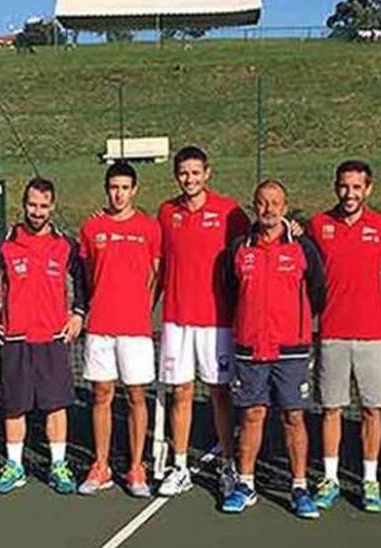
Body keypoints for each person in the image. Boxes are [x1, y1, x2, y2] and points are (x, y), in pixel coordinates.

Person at [221, 180, 326, 519]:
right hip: (250, 347)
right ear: (255, 206)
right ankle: (245, 484)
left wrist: (293, 325)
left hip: (291, 349)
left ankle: (298, 487)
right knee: (252, 414)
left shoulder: (303, 248)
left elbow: (318, 291)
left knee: (293, 416)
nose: (269, 209)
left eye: (275, 203)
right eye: (262, 203)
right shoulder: (239, 247)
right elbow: (229, 290)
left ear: (285, 205)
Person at [155, 146, 251, 498]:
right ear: (176, 175)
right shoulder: (166, 212)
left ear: (207, 173)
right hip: (177, 320)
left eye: (196, 172)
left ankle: (229, 464)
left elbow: (251, 253)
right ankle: (180, 466)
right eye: (183, 173)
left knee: (219, 393)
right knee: (181, 392)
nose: (189, 179)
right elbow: (159, 264)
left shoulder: (231, 213)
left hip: (217, 322)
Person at [0, 178, 87, 496]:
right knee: (15, 406)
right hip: (15, 339)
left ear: (52, 206)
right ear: (23, 204)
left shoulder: (66, 245)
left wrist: (79, 313)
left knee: (56, 405)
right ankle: (15, 466)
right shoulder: (3, 245)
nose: (37, 211)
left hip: (53, 337)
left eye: (44, 206)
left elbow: (82, 282)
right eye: (32, 205)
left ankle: (58, 464)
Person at [307, 160, 381, 513]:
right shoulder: (318, 225)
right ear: (336, 187)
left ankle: (370, 481)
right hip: (332, 334)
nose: (350, 193)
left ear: (368, 189)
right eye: (344, 186)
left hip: (373, 335)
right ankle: (330, 478)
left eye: (357, 187)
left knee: (373, 410)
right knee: (332, 410)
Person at [78, 163, 162, 497]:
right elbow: (87, 274)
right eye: (114, 187)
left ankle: (137, 466)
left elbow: (155, 275)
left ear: (135, 190)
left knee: (137, 396)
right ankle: (101, 466)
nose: (119, 193)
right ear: (106, 188)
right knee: (101, 395)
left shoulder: (149, 227)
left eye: (125, 187)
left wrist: (142, 308)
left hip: (136, 329)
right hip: (100, 326)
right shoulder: (91, 226)